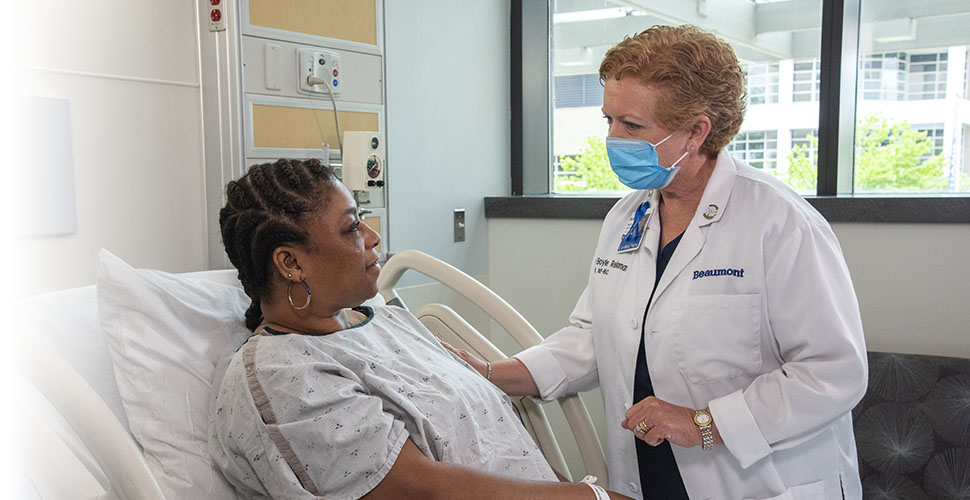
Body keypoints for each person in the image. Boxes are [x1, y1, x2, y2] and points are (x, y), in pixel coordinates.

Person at [451, 25, 868, 500]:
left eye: (631, 126)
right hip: (650, 473)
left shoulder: (780, 223)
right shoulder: (629, 215)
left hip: (758, 481)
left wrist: (704, 424)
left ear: (697, 130)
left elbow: (834, 372)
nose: (611, 139)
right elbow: (593, 337)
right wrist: (492, 374)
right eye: (607, 119)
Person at [208, 158, 632, 500]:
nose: (373, 237)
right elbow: (427, 490)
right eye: (352, 226)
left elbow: (502, 443)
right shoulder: (283, 377)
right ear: (291, 263)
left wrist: (568, 488)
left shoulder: (388, 321)